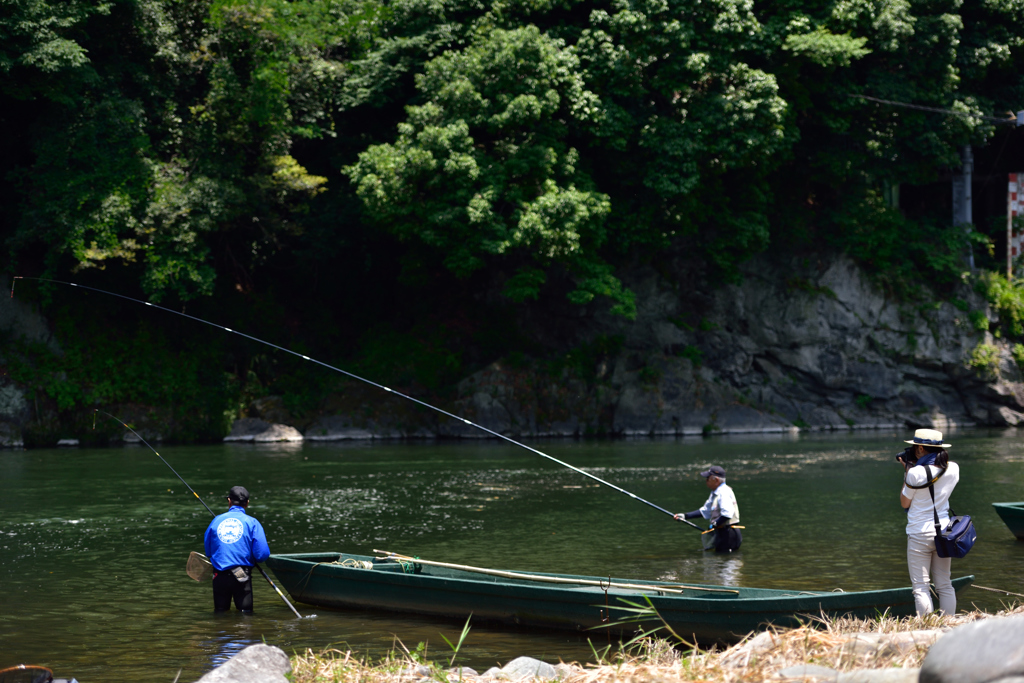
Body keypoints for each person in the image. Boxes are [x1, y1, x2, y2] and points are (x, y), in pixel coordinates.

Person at [898, 428, 960, 616]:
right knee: (944, 584)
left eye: (915, 447)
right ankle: (948, 624)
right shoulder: (954, 468)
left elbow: (904, 502)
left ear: (921, 449)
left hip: (919, 534)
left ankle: (926, 628)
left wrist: (907, 473)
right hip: (943, 532)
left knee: (921, 587)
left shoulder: (915, 473)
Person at [204, 485, 270, 614]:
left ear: (229, 501)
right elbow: (262, 555)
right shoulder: (253, 523)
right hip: (242, 576)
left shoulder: (216, 521)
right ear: (247, 503)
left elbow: (209, 551)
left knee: (220, 614)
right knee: (245, 615)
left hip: (219, 576)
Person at [674, 465, 742, 552]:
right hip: (721, 533)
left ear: (716, 480)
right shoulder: (715, 492)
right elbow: (705, 511)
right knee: (720, 561)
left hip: (729, 534)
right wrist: (685, 516)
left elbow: (727, 514)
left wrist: (714, 524)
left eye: (708, 478)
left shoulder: (724, 492)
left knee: (726, 561)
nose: (706, 481)